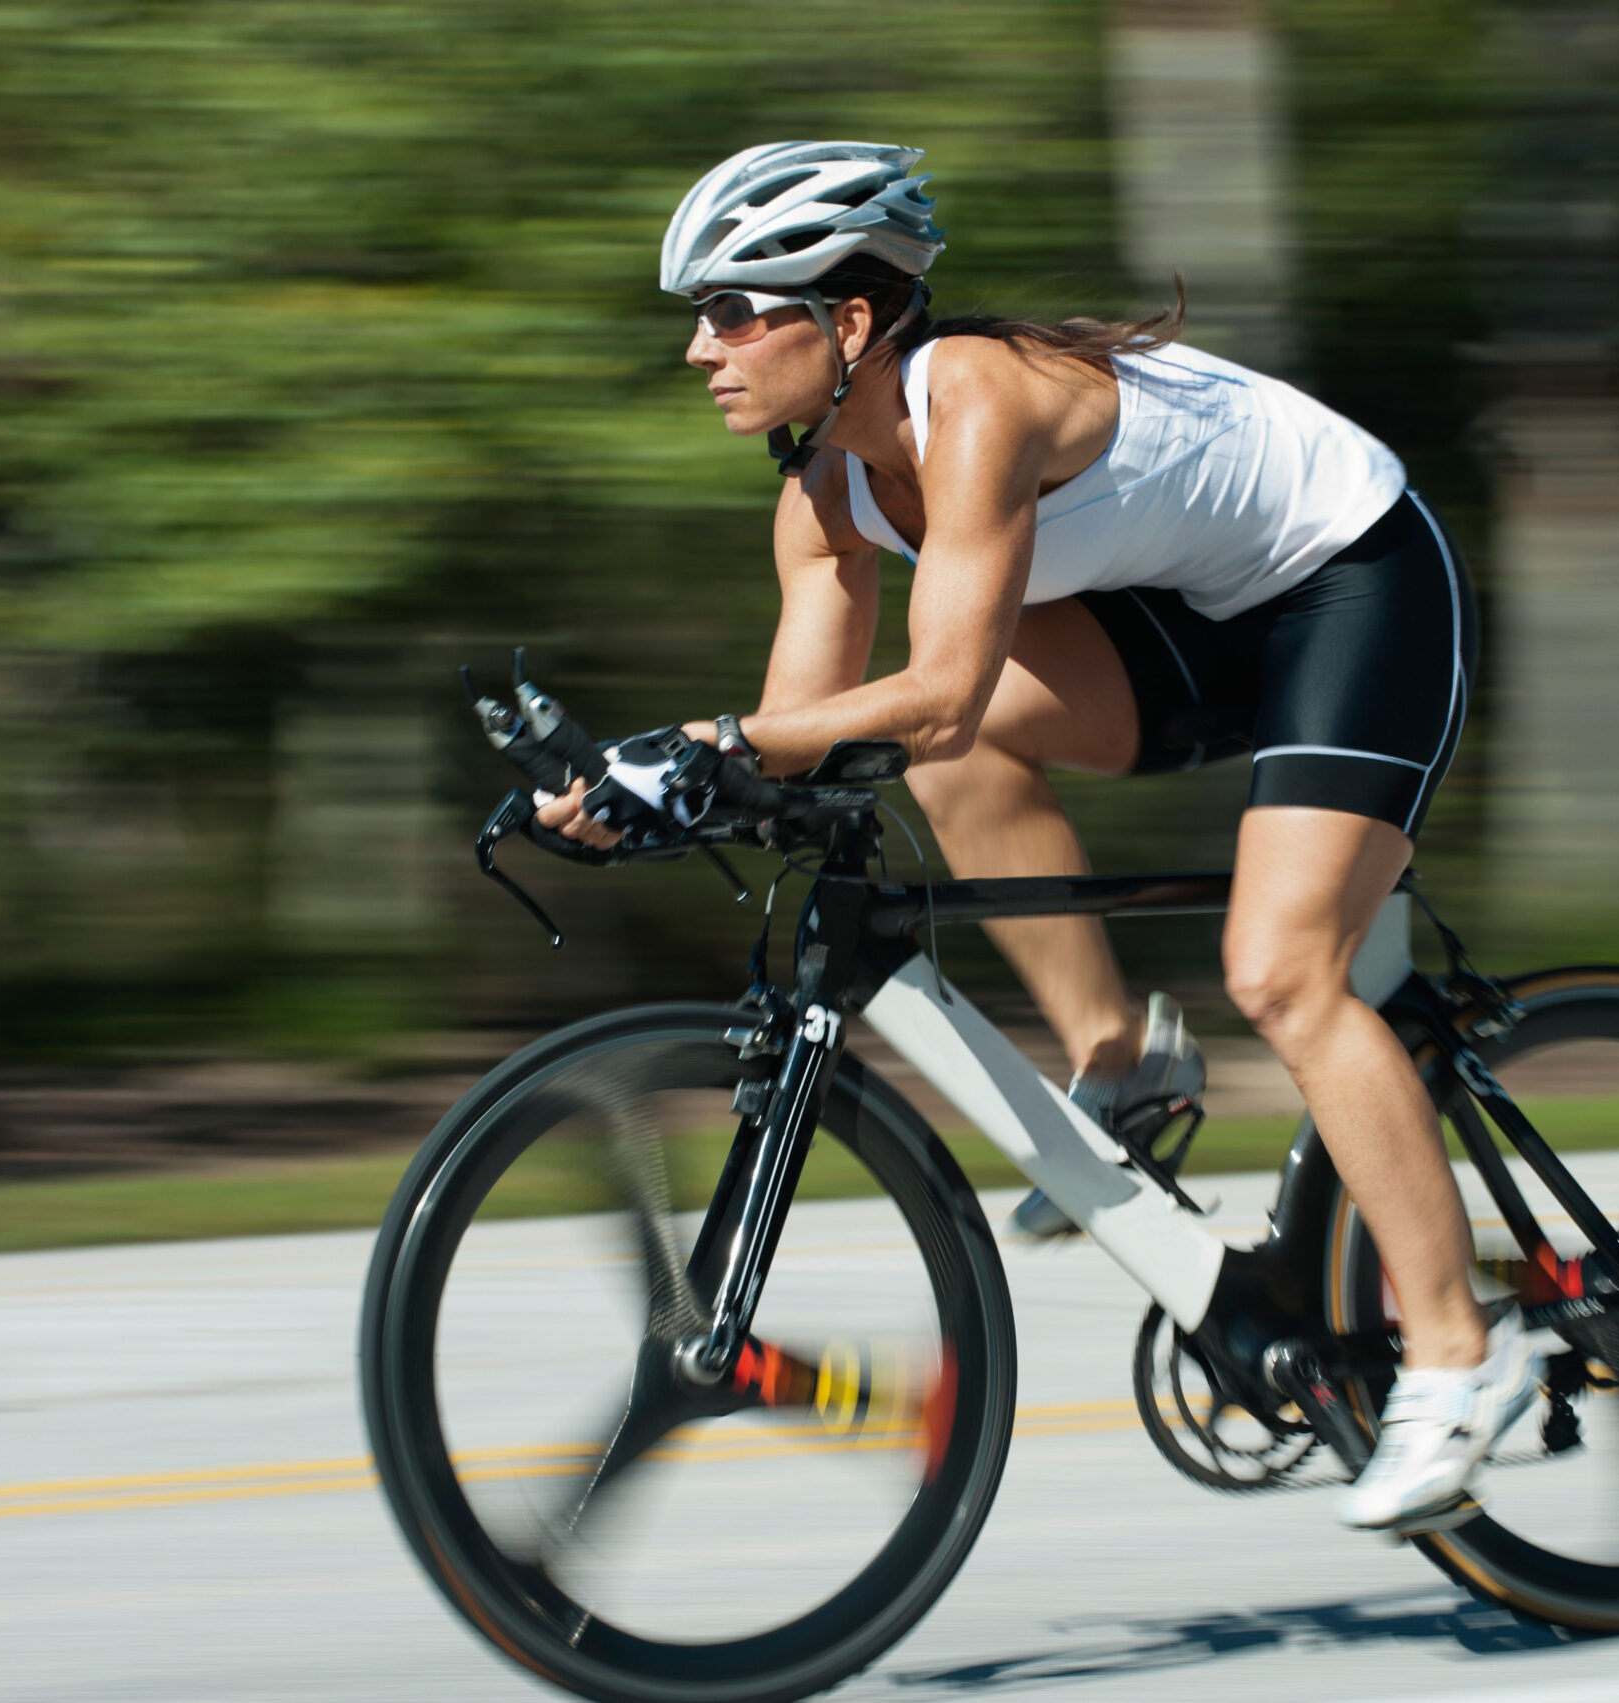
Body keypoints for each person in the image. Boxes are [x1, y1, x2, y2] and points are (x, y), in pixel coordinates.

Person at [538, 139, 1533, 1533]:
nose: (703, 348)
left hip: (1352, 583)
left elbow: (937, 686)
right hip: (1193, 618)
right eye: (699, 316)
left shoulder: (978, 399)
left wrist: (706, 746)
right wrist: (643, 792)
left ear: (853, 322)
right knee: (915, 751)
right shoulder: (822, 490)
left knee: (1280, 973)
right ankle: (1121, 1065)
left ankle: (1457, 1358)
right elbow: (805, 728)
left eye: (734, 310)